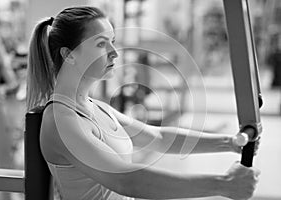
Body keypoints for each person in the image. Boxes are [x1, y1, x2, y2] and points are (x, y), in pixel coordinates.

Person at [26, 6, 260, 200]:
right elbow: (125, 179)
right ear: (69, 54)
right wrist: (223, 185)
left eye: (112, 41)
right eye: (101, 44)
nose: (114, 52)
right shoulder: (61, 120)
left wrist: (229, 143)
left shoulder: (97, 109)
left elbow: (159, 138)